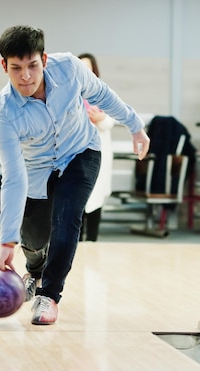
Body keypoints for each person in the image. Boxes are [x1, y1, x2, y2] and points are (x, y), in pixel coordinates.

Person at [0, 25, 150, 325]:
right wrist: (6, 241)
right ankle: (33, 271)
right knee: (33, 240)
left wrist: (134, 124)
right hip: (35, 170)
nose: (26, 76)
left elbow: (102, 94)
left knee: (67, 218)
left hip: (81, 152)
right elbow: (12, 177)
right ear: (4, 66)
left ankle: (48, 296)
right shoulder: (5, 112)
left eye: (32, 65)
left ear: (45, 60)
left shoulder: (70, 69)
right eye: (16, 68)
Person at [77, 53, 115, 241]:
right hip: (76, 153)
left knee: (96, 197)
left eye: (88, 67)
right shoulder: (69, 93)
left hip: (99, 152)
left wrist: (101, 119)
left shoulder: (102, 93)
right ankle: (75, 244)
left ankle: (92, 241)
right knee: (77, 197)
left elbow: (111, 122)